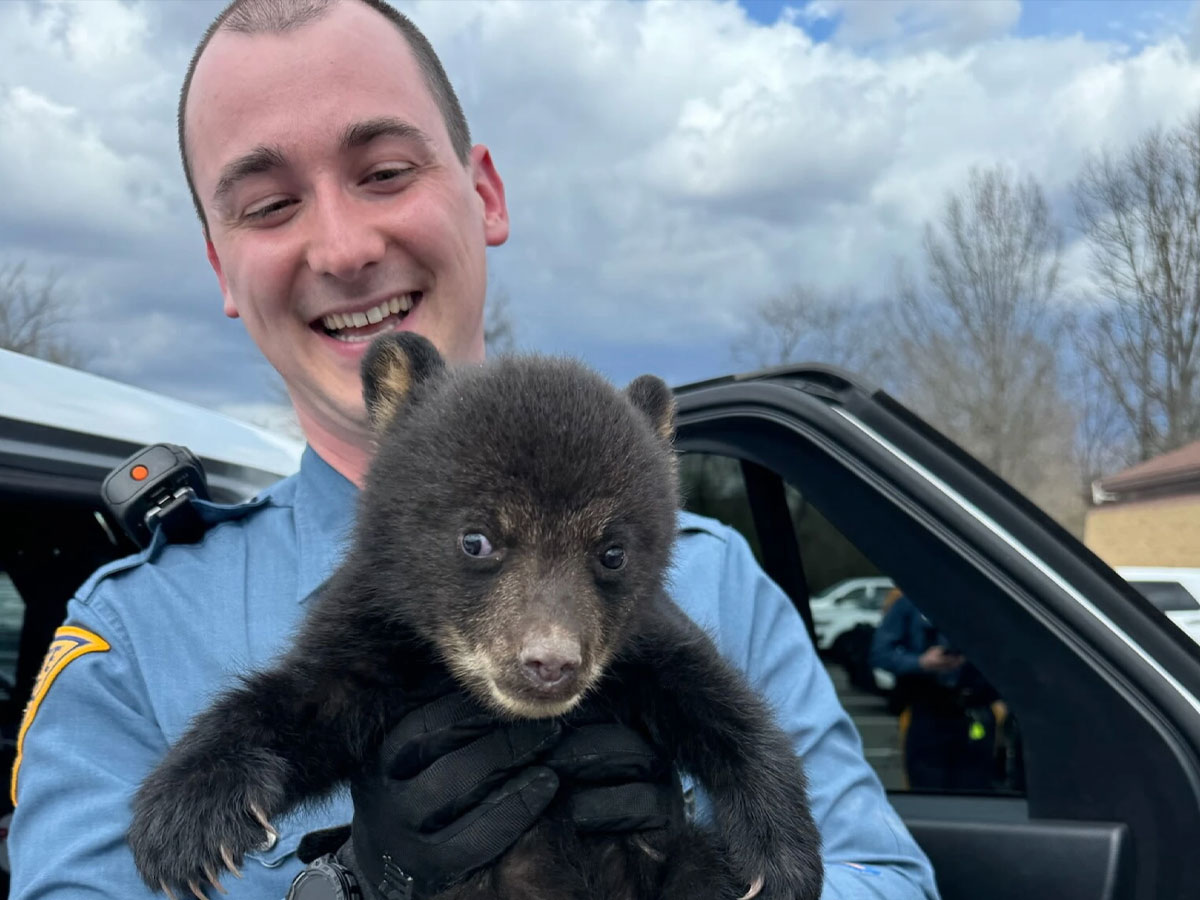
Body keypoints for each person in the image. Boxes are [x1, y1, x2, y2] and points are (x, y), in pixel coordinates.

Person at [8, 1, 939, 897]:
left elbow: (882, 878)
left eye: (384, 172)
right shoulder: (133, 640)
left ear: (485, 192)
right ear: (219, 262)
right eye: (270, 203)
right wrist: (343, 892)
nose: (343, 248)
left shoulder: (717, 581)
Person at [869, 592, 998, 793]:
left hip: (976, 711)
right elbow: (880, 653)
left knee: (976, 794)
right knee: (928, 793)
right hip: (929, 712)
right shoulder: (910, 604)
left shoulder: (989, 603)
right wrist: (921, 662)